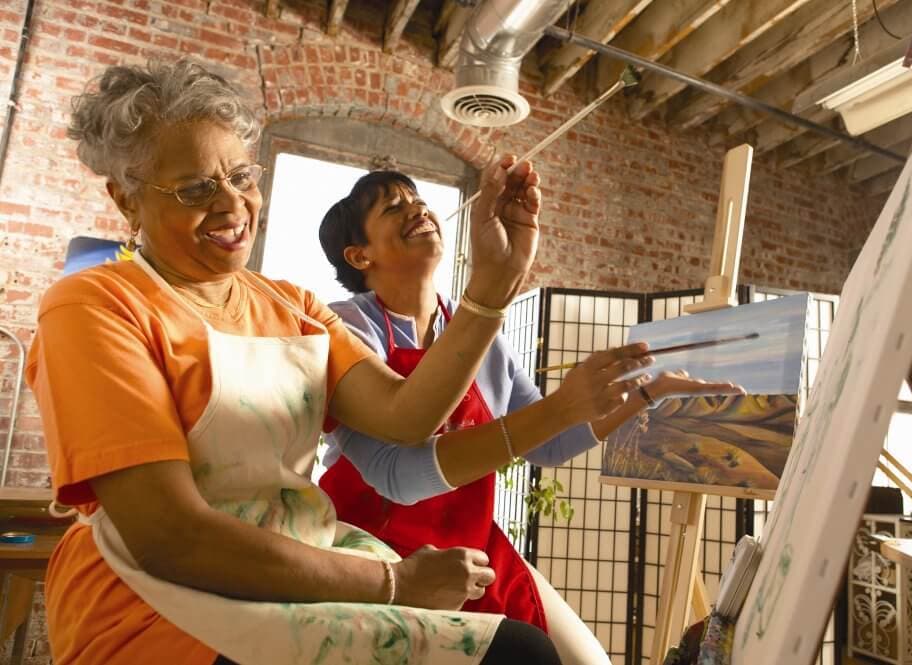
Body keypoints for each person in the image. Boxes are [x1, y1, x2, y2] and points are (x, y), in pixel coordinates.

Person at [27, 59, 658, 665]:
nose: (230, 205)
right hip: (158, 594)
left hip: (308, 552)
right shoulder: (94, 305)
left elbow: (406, 415)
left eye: (243, 177)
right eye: (194, 189)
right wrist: (390, 583)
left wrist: (494, 286)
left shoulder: (292, 305)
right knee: (518, 653)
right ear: (126, 200)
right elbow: (170, 536)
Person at [316, 171, 744, 665]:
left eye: (418, 198)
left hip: (469, 536)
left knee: (588, 661)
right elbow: (399, 477)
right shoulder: (347, 326)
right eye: (393, 208)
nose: (417, 208)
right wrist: (560, 400)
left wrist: (644, 393)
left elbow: (545, 442)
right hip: (373, 542)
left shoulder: (482, 336)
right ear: (359, 255)